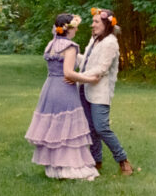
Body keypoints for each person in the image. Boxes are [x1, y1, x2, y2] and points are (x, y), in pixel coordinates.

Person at [24, 14, 99, 180]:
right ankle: (68, 167)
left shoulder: (51, 44)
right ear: (69, 28)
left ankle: (54, 167)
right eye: (76, 27)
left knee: (54, 126)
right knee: (68, 129)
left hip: (49, 88)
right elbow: (68, 73)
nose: (77, 29)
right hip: (64, 89)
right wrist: (90, 79)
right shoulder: (70, 46)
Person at [68, 7, 134, 176]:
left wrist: (76, 76)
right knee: (90, 128)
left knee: (101, 127)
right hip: (85, 88)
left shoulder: (111, 42)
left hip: (99, 92)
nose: (93, 25)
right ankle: (95, 161)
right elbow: (87, 63)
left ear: (106, 24)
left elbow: (101, 69)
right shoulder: (95, 39)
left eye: (96, 22)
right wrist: (71, 52)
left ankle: (123, 160)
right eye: (93, 21)